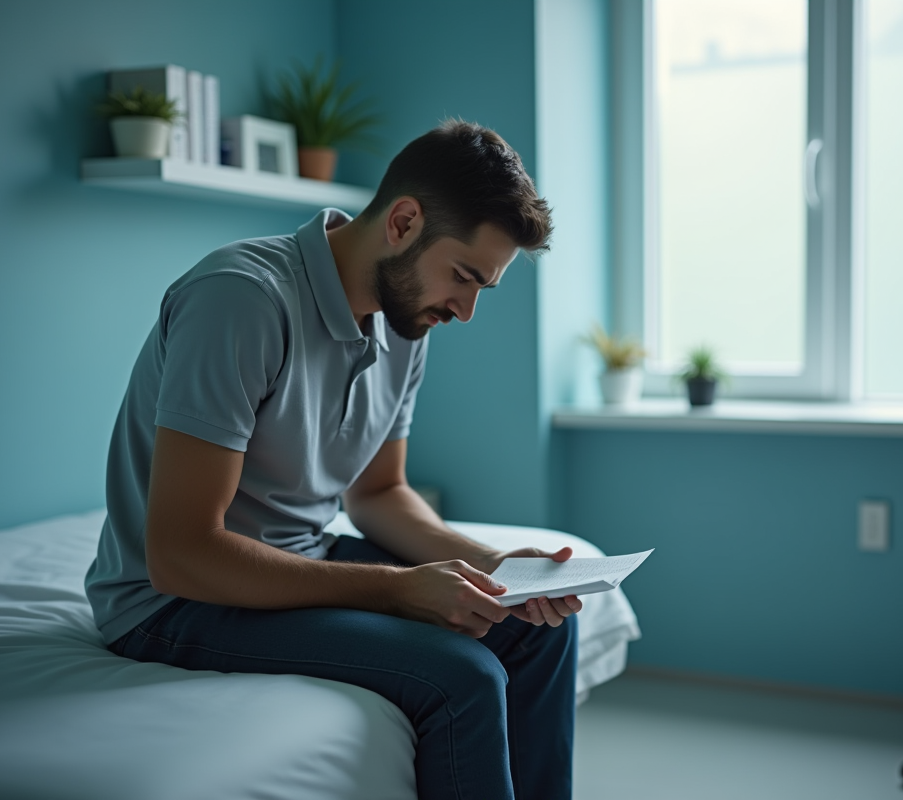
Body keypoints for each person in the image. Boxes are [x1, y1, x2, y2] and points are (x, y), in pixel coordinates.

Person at [85, 120, 579, 800]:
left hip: (299, 559)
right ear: (404, 222)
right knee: (461, 675)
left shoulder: (406, 319)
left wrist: (491, 570)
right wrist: (399, 589)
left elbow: (378, 493)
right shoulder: (241, 298)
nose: (464, 310)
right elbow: (181, 554)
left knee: (536, 634)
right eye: (463, 276)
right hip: (171, 601)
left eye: (481, 289)